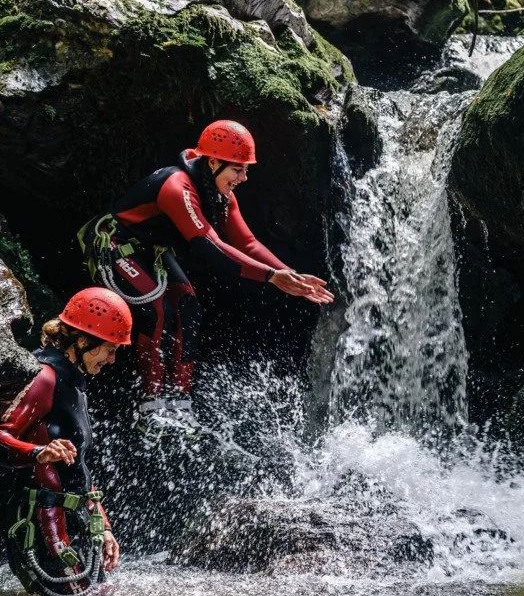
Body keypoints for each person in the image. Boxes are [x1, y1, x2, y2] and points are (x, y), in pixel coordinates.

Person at [78, 119, 334, 433]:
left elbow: (247, 242)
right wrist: (271, 277)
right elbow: (209, 247)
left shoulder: (220, 193)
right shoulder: (177, 186)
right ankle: (150, 408)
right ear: (212, 162)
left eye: (245, 169)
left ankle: (179, 405)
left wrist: (290, 275)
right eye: (238, 169)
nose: (244, 177)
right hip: (115, 244)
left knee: (190, 309)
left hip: (151, 251)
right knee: (156, 310)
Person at [0, 287, 130, 596]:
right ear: (81, 341)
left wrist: (102, 526)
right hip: (42, 526)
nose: (112, 359)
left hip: (73, 520)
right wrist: (38, 453)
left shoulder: (74, 382)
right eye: (109, 348)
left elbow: (79, 469)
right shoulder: (45, 378)